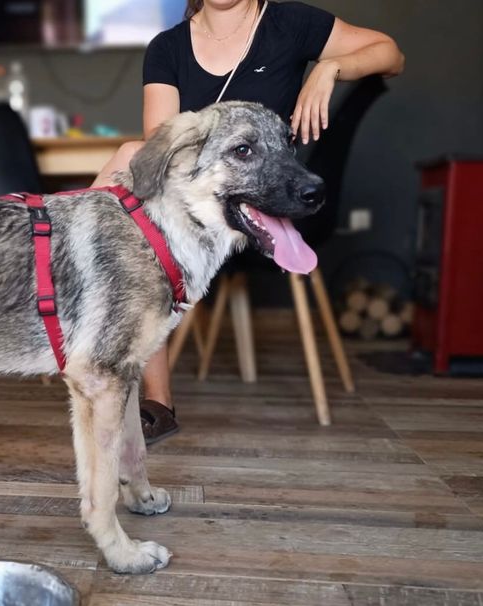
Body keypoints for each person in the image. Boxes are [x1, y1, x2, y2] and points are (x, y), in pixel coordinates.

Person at [90, 0, 404, 444]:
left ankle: (66, 295)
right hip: (206, 210)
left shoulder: (289, 23)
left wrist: (330, 67)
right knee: (136, 175)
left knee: (132, 193)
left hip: (280, 201)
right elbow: (161, 152)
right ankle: (151, 398)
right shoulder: (168, 48)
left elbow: (391, 54)